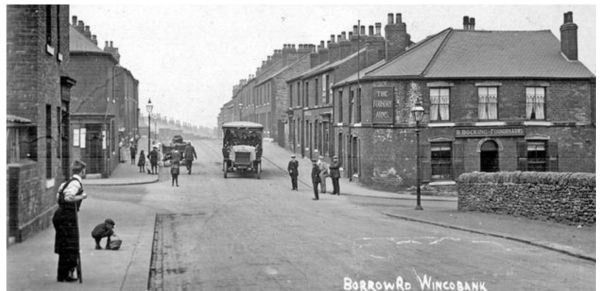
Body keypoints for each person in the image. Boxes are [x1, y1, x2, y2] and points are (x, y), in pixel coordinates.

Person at [52, 160, 88, 283]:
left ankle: (62, 274)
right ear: (82, 171)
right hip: (67, 217)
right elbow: (68, 198)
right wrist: (82, 197)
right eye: (84, 170)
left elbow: (58, 197)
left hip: (60, 215)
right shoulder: (76, 184)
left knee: (64, 245)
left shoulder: (66, 183)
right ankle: (66, 273)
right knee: (70, 246)